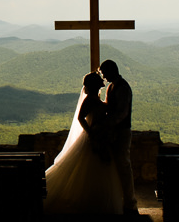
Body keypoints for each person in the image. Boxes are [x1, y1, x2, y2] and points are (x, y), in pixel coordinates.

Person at [43, 72, 123, 214]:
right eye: (99, 79)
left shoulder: (95, 98)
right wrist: (91, 132)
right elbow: (81, 118)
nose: (102, 80)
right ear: (95, 84)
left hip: (99, 136)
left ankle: (96, 200)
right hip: (93, 137)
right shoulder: (89, 100)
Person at [99, 59, 138, 215]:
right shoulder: (112, 87)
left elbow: (122, 112)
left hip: (122, 132)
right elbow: (109, 106)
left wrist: (107, 124)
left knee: (123, 167)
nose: (104, 77)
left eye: (105, 73)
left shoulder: (123, 88)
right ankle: (119, 200)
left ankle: (130, 203)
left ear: (112, 71)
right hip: (114, 131)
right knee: (117, 168)